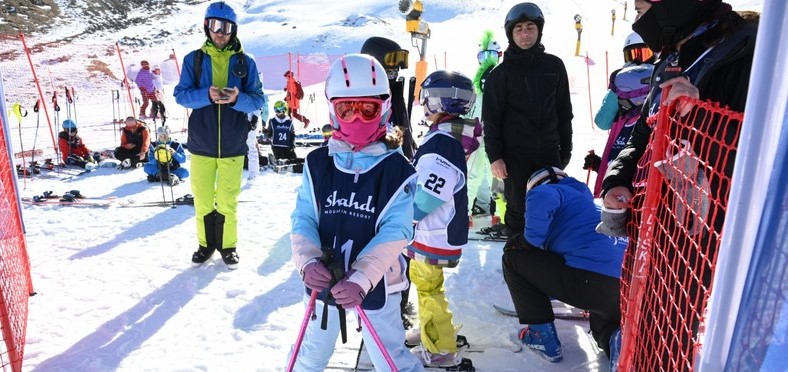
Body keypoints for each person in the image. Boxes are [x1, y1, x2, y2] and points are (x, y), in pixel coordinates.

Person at [601, 0, 758, 368]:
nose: (638, 21)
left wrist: (697, 116)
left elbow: (755, 151)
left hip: (709, 236)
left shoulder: (748, 51)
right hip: (663, 225)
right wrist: (616, 178)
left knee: (674, 331)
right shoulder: (672, 57)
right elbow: (641, 135)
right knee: (646, 322)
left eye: (643, 9)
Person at [288, 53, 423, 371]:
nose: (357, 119)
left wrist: (362, 278)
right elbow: (304, 217)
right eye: (346, 110)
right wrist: (307, 261)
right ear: (332, 111)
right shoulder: (318, 164)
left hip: (376, 281)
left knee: (389, 358)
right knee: (311, 353)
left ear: (384, 108)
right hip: (324, 275)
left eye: (368, 109)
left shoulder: (397, 170)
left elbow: (397, 231)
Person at [173, 1, 266, 270]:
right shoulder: (194, 60)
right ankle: (205, 245)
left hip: (232, 142)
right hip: (201, 142)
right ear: (207, 26)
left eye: (226, 27)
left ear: (234, 29)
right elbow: (181, 95)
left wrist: (237, 99)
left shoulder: (246, 62)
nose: (220, 33)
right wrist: (206, 95)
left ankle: (228, 246)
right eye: (215, 26)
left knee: (227, 199)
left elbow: (258, 99)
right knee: (202, 199)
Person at [502, 167, 627, 363]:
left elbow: (544, 197)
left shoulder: (547, 191)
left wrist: (526, 241)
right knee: (603, 329)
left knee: (513, 257)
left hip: (589, 282)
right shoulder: (588, 203)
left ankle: (541, 337)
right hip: (625, 288)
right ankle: (615, 341)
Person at [405, 70, 481, 368]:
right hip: (435, 229)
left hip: (431, 230)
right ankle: (432, 330)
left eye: (426, 99)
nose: (423, 105)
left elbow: (431, 191)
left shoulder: (442, 142)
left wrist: (407, 219)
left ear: (437, 102)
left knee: (427, 287)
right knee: (427, 284)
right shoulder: (449, 138)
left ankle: (439, 346)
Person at [483, 2, 573, 244]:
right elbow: (491, 119)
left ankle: (547, 257)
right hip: (515, 157)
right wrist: (495, 156)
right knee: (518, 209)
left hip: (549, 152)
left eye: (530, 28)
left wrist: (565, 150)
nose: (525, 34)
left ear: (539, 30)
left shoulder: (554, 66)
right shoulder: (500, 75)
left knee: (552, 205)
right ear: (511, 34)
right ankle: (517, 258)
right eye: (519, 29)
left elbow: (564, 111)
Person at [587, 62, 654, 197]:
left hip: (627, 199)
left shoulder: (646, 128)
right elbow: (619, 157)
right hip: (610, 191)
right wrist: (600, 166)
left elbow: (635, 164)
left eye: (621, 98)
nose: (618, 103)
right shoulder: (623, 120)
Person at [360, 36, 417, 160]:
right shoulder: (360, 105)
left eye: (395, 72)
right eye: (389, 73)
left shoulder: (395, 98)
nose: (393, 76)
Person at [465, 30, 500, 226]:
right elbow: (468, 112)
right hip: (477, 139)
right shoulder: (475, 85)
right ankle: (465, 213)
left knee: (499, 178)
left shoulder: (504, 80)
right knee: (473, 176)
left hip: (497, 139)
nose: (487, 60)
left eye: (491, 55)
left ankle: (502, 215)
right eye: (483, 56)